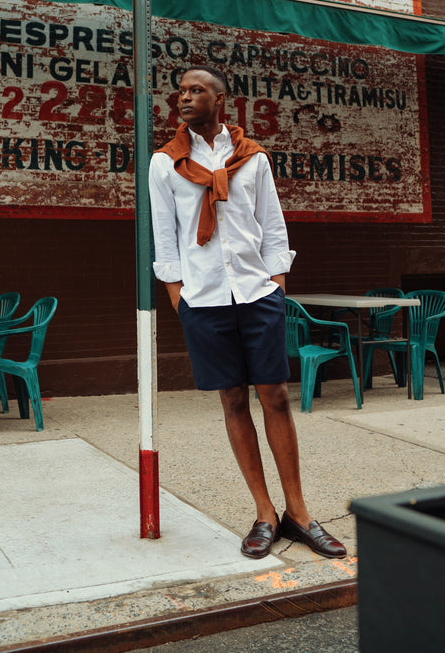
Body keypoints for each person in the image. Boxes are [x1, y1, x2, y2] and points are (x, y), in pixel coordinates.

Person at [148, 65, 346, 560]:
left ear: (221, 100)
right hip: (204, 298)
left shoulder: (253, 159)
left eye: (197, 91)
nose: (184, 98)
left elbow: (273, 228)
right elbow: (164, 237)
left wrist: (275, 288)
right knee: (233, 401)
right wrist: (179, 295)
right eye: (181, 92)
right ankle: (264, 514)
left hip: (257, 295)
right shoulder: (164, 164)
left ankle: (299, 514)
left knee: (275, 395)